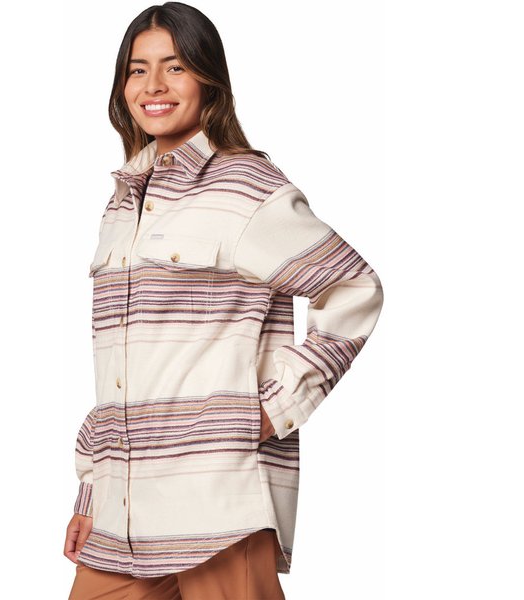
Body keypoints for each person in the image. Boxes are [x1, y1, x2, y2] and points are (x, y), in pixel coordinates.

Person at [64, 3, 384, 599]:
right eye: (137, 70)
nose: (153, 86)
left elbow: (354, 287)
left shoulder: (247, 187)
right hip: (122, 513)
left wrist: (276, 408)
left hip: (218, 502)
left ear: (208, 78)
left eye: (175, 67)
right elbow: (120, 372)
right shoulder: (123, 203)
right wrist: (91, 493)